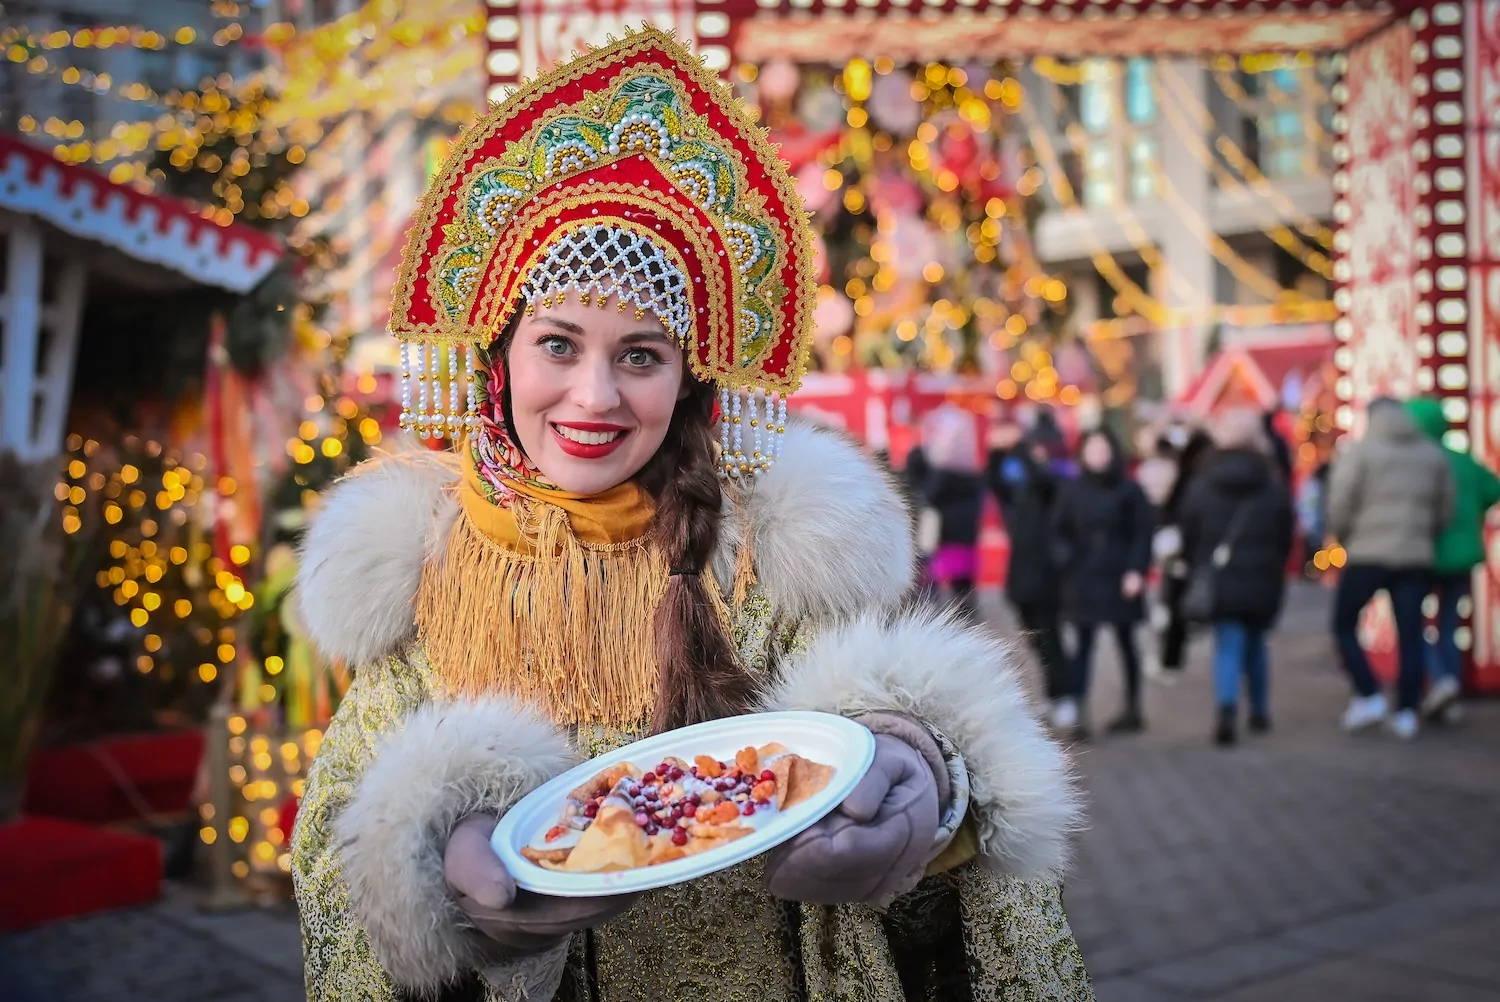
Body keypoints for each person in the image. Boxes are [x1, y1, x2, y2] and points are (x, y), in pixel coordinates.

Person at [288, 32, 1089, 1002]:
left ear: (689, 379)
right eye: (558, 345)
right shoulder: (424, 569)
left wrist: (923, 789)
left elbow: (934, 898)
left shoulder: (776, 561)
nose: (593, 398)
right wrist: (434, 879)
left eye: (640, 356)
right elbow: (333, 847)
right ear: (497, 360)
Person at [1326, 397, 1454, 740]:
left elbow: (1340, 500)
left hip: (1367, 554)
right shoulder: (1430, 453)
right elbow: (1446, 507)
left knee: (1343, 623)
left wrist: (1346, 536)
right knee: (1411, 633)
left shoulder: (1361, 451)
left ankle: (1368, 694)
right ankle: (1407, 710)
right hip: (1414, 556)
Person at [1178, 409, 1295, 746]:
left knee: (1227, 645)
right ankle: (1259, 710)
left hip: (1220, 578)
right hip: (1263, 578)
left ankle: (1227, 709)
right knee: (1257, 644)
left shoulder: (1202, 483)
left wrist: (1195, 562)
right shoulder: (1272, 484)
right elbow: (1285, 534)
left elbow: (1190, 532)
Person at [1052, 427, 1154, 736]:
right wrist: (1065, 558)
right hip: (1085, 578)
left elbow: (1142, 533)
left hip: (1120, 576)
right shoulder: (1072, 490)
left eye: (1103, 449)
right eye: (1092, 449)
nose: (1098, 455)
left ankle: (1133, 708)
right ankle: (1080, 712)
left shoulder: (1129, 490)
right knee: (1082, 646)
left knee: (1126, 643)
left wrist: (1137, 570)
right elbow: (1058, 531)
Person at [1406, 398, 1500, 722]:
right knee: (1449, 624)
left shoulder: (1419, 463)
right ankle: (1451, 690)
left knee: (1414, 622)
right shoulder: (1463, 461)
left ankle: (1440, 678)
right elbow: (1493, 489)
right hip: (1463, 555)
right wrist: (1472, 513)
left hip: (1426, 554)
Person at [989, 418, 1071, 726]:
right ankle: (1054, 695)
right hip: (1022, 575)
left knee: (1052, 637)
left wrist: (1020, 446)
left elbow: (1040, 480)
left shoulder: (1056, 481)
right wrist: (997, 453)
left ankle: (1063, 695)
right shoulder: (1021, 491)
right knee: (1036, 638)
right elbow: (997, 486)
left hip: (1048, 575)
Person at [906, 402, 985, 619]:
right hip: (945, 536)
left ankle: (958, 617)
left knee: (954, 585)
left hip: (952, 536)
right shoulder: (929, 463)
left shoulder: (953, 473)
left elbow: (927, 494)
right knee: (946, 585)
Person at [1153, 426, 1214, 678]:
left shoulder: (1192, 482)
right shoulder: (1204, 479)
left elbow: (1181, 513)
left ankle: (1170, 662)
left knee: (1175, 607)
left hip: (1186, 552)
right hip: (1197, 552)